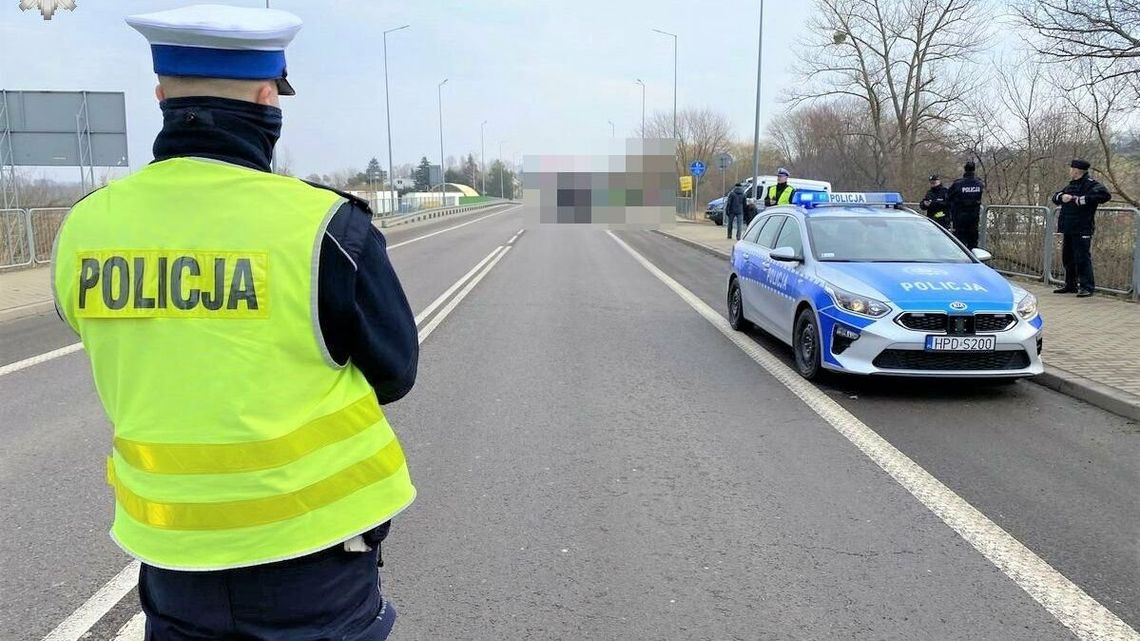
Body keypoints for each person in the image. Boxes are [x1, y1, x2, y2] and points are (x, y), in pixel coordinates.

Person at [51, 6, 418, 639]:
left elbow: (112, 339)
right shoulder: (328, 229)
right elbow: (394, 372)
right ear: (268, 97)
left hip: (172, 556)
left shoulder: (83, 229)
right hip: (313, 555)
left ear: (161, 95)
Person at [1051, 159, 1111, 297]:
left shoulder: (1091, 185)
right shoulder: (1071, 185)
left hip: (1082, 227)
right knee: (1068, 257)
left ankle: (1087, 287)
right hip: (1069, 227)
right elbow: (1055, 197)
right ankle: (1070, 285)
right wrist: (1062, 197)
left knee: (1082, 257)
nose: (1070, 171)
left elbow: (1105, 195)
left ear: (1076, 170)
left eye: (1071, 168)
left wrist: (1081, 200)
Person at [947, 160, 985, 248]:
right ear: (974, 169)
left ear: (965, 169)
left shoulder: (958, 184)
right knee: (973, 243)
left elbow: (948, 196)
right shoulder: (979, 183)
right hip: (974, 217)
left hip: (959, 217)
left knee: (959, 243)